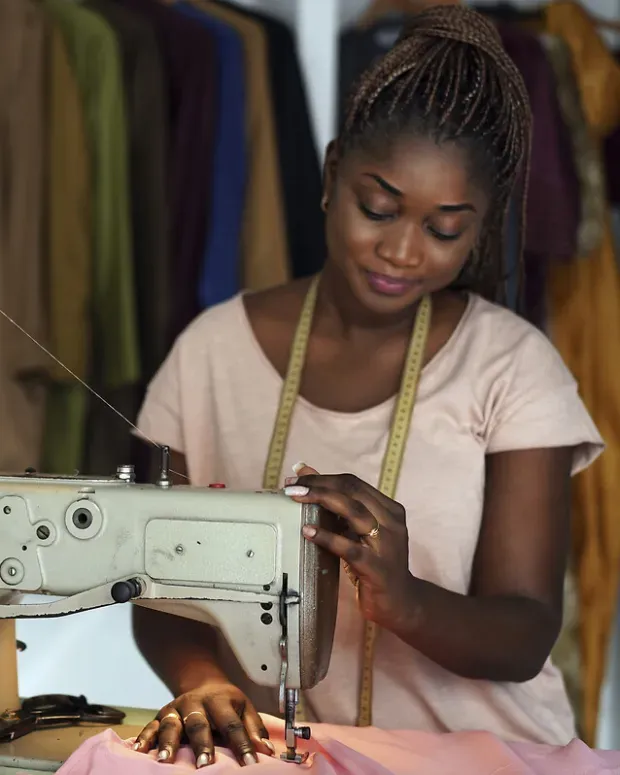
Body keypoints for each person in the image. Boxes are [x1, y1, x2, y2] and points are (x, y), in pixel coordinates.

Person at [131, 4, 603, 769]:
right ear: (331, 174)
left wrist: (405, 599)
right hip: (296, 752)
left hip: (484, 755)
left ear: (479, 231)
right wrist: (204, 678)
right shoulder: (209, 353)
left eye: (445, 229)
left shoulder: (514, 367)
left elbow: (525, 633)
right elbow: (154, 585)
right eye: (377, 207)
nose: (401, 249)